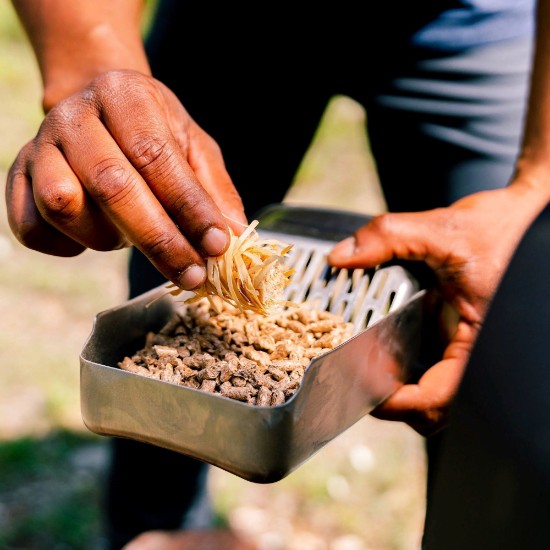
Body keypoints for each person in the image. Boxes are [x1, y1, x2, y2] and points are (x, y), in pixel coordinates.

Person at [5, 0, 550, 548]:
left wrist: (537, 184)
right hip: (229, 23)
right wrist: (91, 67)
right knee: (168, 251)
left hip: (470, 21)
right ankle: (149, 529)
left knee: (499, 359)